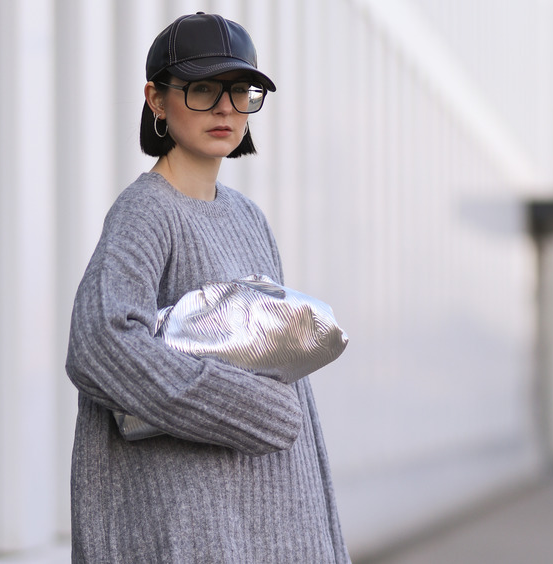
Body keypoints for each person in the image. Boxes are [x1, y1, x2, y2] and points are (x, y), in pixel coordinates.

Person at [65, 12, 350, 563]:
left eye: (239, 92)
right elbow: (99, 343)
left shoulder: (248, 217)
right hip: (189, 526)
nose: (225, 108)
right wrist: (248, 409)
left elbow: (277, 363)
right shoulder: (146, 210)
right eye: (201, 90)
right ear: (156, 99)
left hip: (267, 518)